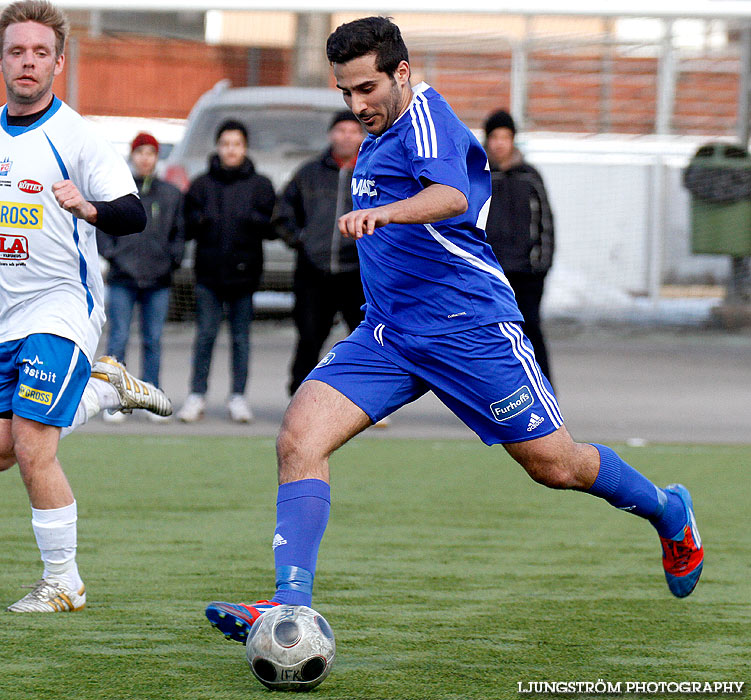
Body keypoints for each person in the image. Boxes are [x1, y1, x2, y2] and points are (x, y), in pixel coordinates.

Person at [205, 17, 703, 642]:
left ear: (402, 73)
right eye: (345, 93)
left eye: (367, 89)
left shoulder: (426, 120)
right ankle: (289, 602)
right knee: (299, 436)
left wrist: (381, 214)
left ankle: (668, 511)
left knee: (556, 465)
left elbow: (451, 198)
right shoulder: (378, 131)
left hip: (470, 330)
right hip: (391, 335)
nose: (357, 105)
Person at [0, 0, 172, 613]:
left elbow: (135, 213)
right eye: (17, 51)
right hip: (5, 320)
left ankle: (63, 582)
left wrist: (88, 208)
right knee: (7, 448)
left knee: (32, 448)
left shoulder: (76, 137)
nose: (28, 62)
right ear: (3, 58)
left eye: (40, 53)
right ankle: (101, 389)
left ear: (59, 62)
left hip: (62, 308)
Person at [176, 120, 276, 424]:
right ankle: (196, 396)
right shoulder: (201, 185)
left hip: (244, 276)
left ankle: (238, 397)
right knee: (205, 335)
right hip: (208, 275)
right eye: (225, 144)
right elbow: (186, 224)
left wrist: (254, 220)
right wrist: (201, 220)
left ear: (244, 148)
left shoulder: (260, 185)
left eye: (237, 144)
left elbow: (273, 224)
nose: (231, 150)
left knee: (240, 338)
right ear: (218, 147)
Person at [274, 110, 366, 396]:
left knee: (366, 341)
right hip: (313, 272)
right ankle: (298, 396)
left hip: (358, 274)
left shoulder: (372, 172)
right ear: (330, 135)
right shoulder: (309, 173)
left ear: (362, 136)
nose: (346, 136)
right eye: (340, 130)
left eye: (353, 131)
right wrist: (301, 240)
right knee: (309, 338)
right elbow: (282, 214)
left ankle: (366, 400)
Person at [97, 132, 184, 423]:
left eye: (150, 153)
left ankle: (151, 396)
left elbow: (178, 234)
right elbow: (103, 227)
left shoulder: (170, 194)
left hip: (158, 280)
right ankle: (113, 398)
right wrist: (113, 255)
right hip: (123, 277)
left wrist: (171, 260)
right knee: (118, 338)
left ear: (157, 157)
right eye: (140, 152)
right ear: (131, 156)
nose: (145, 158)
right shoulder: (118, 191)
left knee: (153, 339)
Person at [483, 109, 555, 383]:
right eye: (494, 137)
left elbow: (546, 223)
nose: (500, 143)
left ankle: (544, 391)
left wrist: (541, 265)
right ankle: (498, 396)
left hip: (526, 273)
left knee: (530, 331)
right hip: (489, 272)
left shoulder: (530, 177)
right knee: (490, 336)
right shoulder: (477, 175)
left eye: (506, 136)